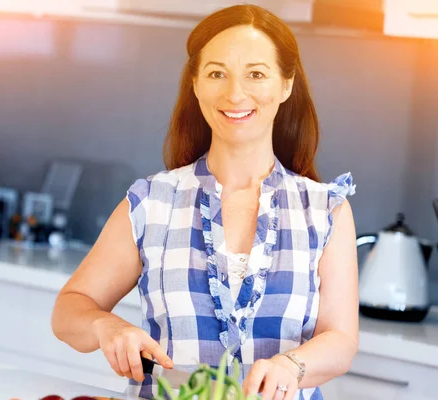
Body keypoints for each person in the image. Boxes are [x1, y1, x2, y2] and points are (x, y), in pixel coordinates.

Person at [51, 4, 359, 400]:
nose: (234, 93)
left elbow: (341, 339)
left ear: (286, 85)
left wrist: (292, 365)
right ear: (195, 83)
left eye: (256, 74)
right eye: (217, 73)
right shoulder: (152, 202)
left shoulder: (325, 211)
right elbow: (69, 309)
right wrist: (106, 327)